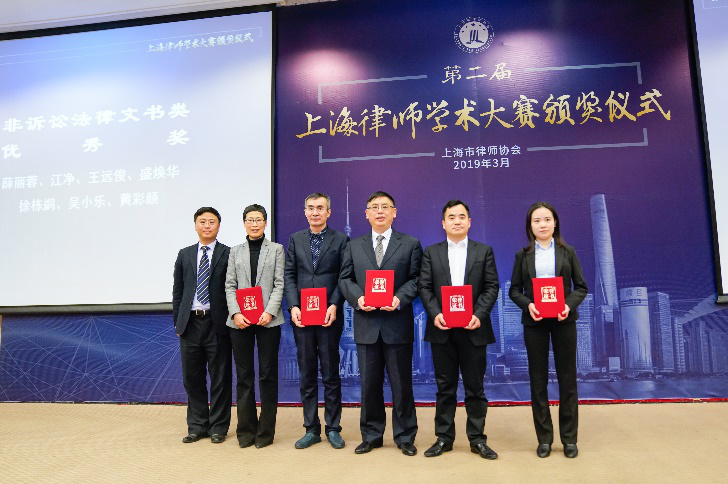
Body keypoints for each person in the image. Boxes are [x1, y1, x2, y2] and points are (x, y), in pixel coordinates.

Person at [338, 191, 422, 456]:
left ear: (394, 212)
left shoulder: (410, 244)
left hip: (397, 324)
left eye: (385, 207)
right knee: (369, 386)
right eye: (374, 207)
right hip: (367, 325)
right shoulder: (354, 246)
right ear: (366, 214)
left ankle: (405, 436)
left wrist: (399, 298)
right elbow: (345, 279)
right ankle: (371, 435)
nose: (380, 211)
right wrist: (358, 298)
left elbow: (417, 279)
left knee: (402, 385)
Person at [418, 200, 500, 460]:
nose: (457, 221)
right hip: (442, 328)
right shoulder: (431, 252)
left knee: (476, 388)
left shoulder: (483, 251)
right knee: (445, 388)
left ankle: (477, 439)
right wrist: (436, 314)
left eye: (462, 216)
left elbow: (491, 286)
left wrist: (478, 315)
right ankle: (444, 438)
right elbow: (424, 287)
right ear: (443, 223)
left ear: (469, 222)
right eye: (451, 217)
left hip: (473, 328)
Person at [508, 202, 588, 459]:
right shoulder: (522, 255)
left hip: (564, 320)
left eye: (547, 220)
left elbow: (581, 287)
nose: (542, 225)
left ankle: (569, 439)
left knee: (568, 380)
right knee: (538, 380)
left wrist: (567, 305)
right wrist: (529, 305)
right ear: (530, 226)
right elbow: (514, 291)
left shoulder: (568, 252)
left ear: (555, 223)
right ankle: (544, 439)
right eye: (536, 221)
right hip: (535, 322)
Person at [284, 192, 350, 450]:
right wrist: (293, 306)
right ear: (305, 212)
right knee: (307, 373)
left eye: (320, 208)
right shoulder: (296, 239)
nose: (315, 212)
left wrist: (334, 304)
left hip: (328, 316)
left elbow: (344, 276)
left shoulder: (341, 239)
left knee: (331, 374)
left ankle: (333, 428)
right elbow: (290, 274)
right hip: (302, 316)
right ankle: (311, 429)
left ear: (328, 212)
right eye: (310, 208)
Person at [225, 204, 285, 449]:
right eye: (250, 220)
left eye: (259, 219)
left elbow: (279, 284)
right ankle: (246, 430)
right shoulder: (234, 251)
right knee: (244, 376)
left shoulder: (277, 249)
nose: (254, 224)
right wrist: (236, 313)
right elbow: (230, 285)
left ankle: (266, 432)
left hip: (268, 321)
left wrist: (269, 311)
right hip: (240, 321)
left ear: (265, 222)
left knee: (267, 375)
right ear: (244, 223)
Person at [172, 207, 232, 444]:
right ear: (195, 225)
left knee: (220, 378)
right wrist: (178, 323)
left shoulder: (228, 253)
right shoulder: (185, 254)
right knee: (192, 378)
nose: (207, 226)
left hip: (217, 323)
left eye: (212, 222)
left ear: (219, 226)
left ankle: (218, 427)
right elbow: (178, 292)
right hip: (190, 323)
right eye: (203, 222)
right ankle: (197, 426)